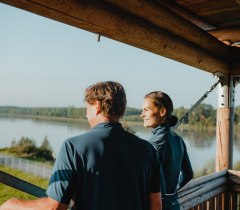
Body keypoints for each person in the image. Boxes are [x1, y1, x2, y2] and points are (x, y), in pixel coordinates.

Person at [0, 81, 162, 210]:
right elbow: (156, 206)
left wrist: (12, 204)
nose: (86, 114)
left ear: (97, 106)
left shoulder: (73, 147)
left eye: (87, 108)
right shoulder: (148, 150)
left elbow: (54, 207)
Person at [141, 91, 193, 210]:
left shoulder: (153, 145)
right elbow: (188, 174)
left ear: (162, 111)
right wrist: (171, 192)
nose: (142, 114)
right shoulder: (178, 139)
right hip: (174, 204)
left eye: (146, 109)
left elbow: (146, 184)